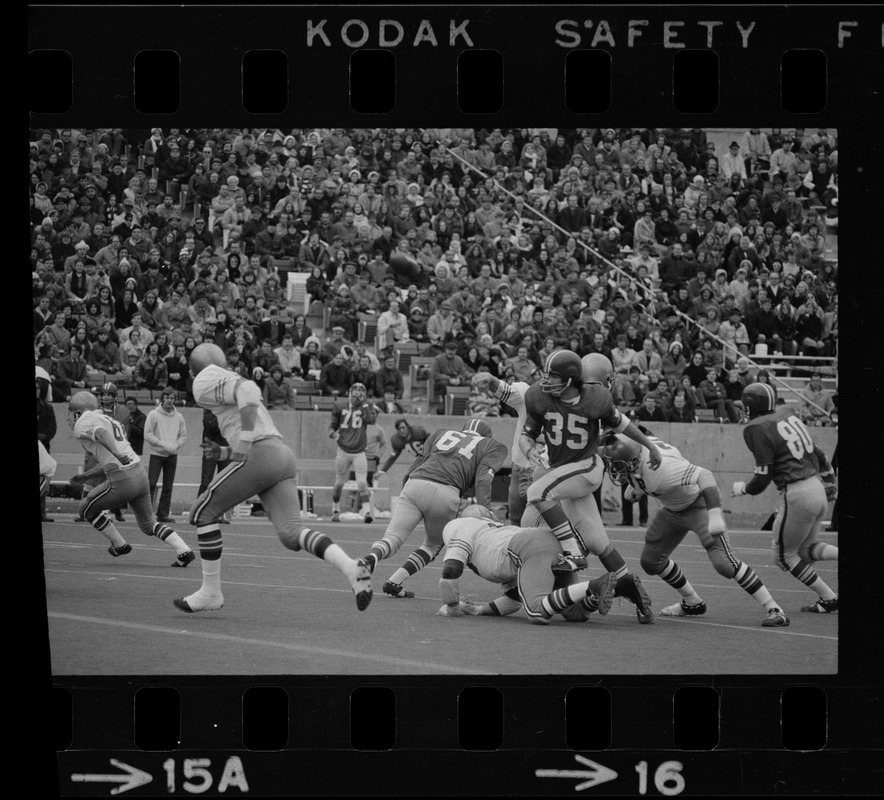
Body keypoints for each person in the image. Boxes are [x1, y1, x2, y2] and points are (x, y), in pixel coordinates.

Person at [173, 342, 372, 613]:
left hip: (262, 453)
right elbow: (250, 401)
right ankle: (351, 568)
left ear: (193, 370)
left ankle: (210, 592)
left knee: (202, 514)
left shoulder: (204, 380)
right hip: (281, 455)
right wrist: (225, 450)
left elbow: (246, 394)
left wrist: (243, 439)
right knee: (291, 534)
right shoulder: (230, 376)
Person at [602, 432, 789, 627]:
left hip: (698, 505)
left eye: (617, 465)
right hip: (673, 509)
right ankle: (692, 602)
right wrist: (638, 487)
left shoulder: (660, 468)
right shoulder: (634, 452)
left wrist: (715, 512)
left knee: (724, 563)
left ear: (633, 460)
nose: (614, 469)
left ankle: (774, 609)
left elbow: (704, 475)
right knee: (651, 561)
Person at [362, 418, 508, 599]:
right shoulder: (491, 446)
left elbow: (416, 465)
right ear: (487, 436)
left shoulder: (440, 433)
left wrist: (407, 489)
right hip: (445, 492)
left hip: (414, 484)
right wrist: (486, 514)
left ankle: (373, 558)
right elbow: (483, 481)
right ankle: (396, 580)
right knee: (432, 546)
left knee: (392, 538)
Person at [731, 383, 839, 613]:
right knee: (803, 550)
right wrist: (830, 481)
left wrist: (743, 489)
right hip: (816, 487)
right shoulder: (786, 414)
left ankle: (829, 597)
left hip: (797, 493)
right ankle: (828, 597)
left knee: (783, 556)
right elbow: (818, 452)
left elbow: (762, 477)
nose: (744, 410)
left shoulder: (756, 427)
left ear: (753, 406)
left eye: (746, 406)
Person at [66, 391, 195, 565]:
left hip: (122, 480)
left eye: (70, 413)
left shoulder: (84, 421)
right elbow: (110, 462)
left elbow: (102, 435)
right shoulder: (106, 418)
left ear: (77, 412)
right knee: (149, 524)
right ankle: (184, 550)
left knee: (86, 508)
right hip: (139, 474)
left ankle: (120, 545)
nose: (69, 418)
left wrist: (117, 453)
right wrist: (86, 475)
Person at [435, 506, 617, 625]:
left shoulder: (461, 525)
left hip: (528, 546)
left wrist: (452, 608)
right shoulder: (495, 535)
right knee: (575, 613)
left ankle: (594, 585)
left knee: (537, 613)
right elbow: (515, 599)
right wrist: (476, 610)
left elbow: (451, 570)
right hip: (548, 542)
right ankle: (615, 589)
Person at [469, 372, 536, 526]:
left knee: (537, 522)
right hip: (520, 468)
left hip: (545, 471)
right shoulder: (528, 395)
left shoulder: (566, 406)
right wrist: (491, 379)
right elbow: (501, 389)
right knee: (515, 519)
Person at [328, 382, 378, 524]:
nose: (356, 396)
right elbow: (333, 424)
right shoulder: (339, 405)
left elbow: (370, 420)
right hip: (343, 450)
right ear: (349, 393)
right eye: (354, 393)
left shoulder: (366, 405)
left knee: (362, 482)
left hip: (359, 451)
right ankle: (335, 510)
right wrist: (331, 432)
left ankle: (367, 512)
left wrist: (364, 404)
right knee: (339, 483)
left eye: (360, 393)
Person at [145, 387, 187, 523]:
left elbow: (183, 435)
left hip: (172, 455)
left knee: (168, 486)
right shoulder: (153, 414)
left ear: (175, 400)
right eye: (167, 397)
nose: (169, 400)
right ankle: (146, 514)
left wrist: (174, 446)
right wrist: (163, 444)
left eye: (172, 398)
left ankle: (162, 514)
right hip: (156, 454)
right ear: (162, 398)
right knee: (151, 484)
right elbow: (148, 434)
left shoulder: (179, 417)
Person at [37, 375, 58, 522]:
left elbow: (52, 427)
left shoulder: (47, 408)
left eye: (38, 388)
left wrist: (42, 436)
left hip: (43, 448)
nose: (36, 390)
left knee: (42, 480)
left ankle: (42, 512)